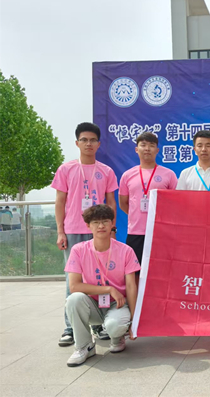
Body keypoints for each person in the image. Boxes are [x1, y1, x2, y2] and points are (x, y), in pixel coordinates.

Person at [51, 122, 119, 347]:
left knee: (99, 278)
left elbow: (111, 203)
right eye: (84, 140)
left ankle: (98, 325)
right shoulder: (66, 169)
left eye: (92, 140)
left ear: (99, 144)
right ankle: (70, 328)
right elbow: (60, 202)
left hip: (99, 232)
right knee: (73, 281)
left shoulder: (106, 171)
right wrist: (60, 231)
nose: (88, 144)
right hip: (73, 231)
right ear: (77, 143)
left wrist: (112, 229)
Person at [64, 204, 139, 367]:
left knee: (114, 326)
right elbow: (74, 286)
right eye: (95, 222)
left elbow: (131, 287)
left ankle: (117, 338)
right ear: (88, 226)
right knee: (74, 299)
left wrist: (134, 321)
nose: (101, 226)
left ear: (112, 223)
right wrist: (109, 289)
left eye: (105, 221)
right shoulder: (78, 250)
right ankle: (84, 346)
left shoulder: (126, 250)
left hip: (117, 304)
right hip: (92, 304)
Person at [119, 132, 177, 265]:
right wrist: (136, 215)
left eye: (151, 145)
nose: (147, 149)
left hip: (160, 232)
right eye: (143, 145)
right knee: (135, 270)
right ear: (136, 149)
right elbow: (123, 203)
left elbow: (175, 204)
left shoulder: (169, 174)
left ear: (157, 150)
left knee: (161, 268)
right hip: (136, 232)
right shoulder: (127, 175)